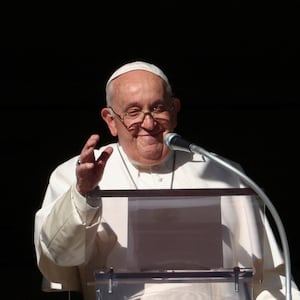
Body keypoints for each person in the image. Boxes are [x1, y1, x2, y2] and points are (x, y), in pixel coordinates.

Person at [34, 60, 300, 300]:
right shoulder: (75, 174)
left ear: (174, 110)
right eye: (133, 112)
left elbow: (268, 278)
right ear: (111, 120)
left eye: (158, 108)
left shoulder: (224, 174)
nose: (149, 123)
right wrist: (84, 194)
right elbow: (61, 256)